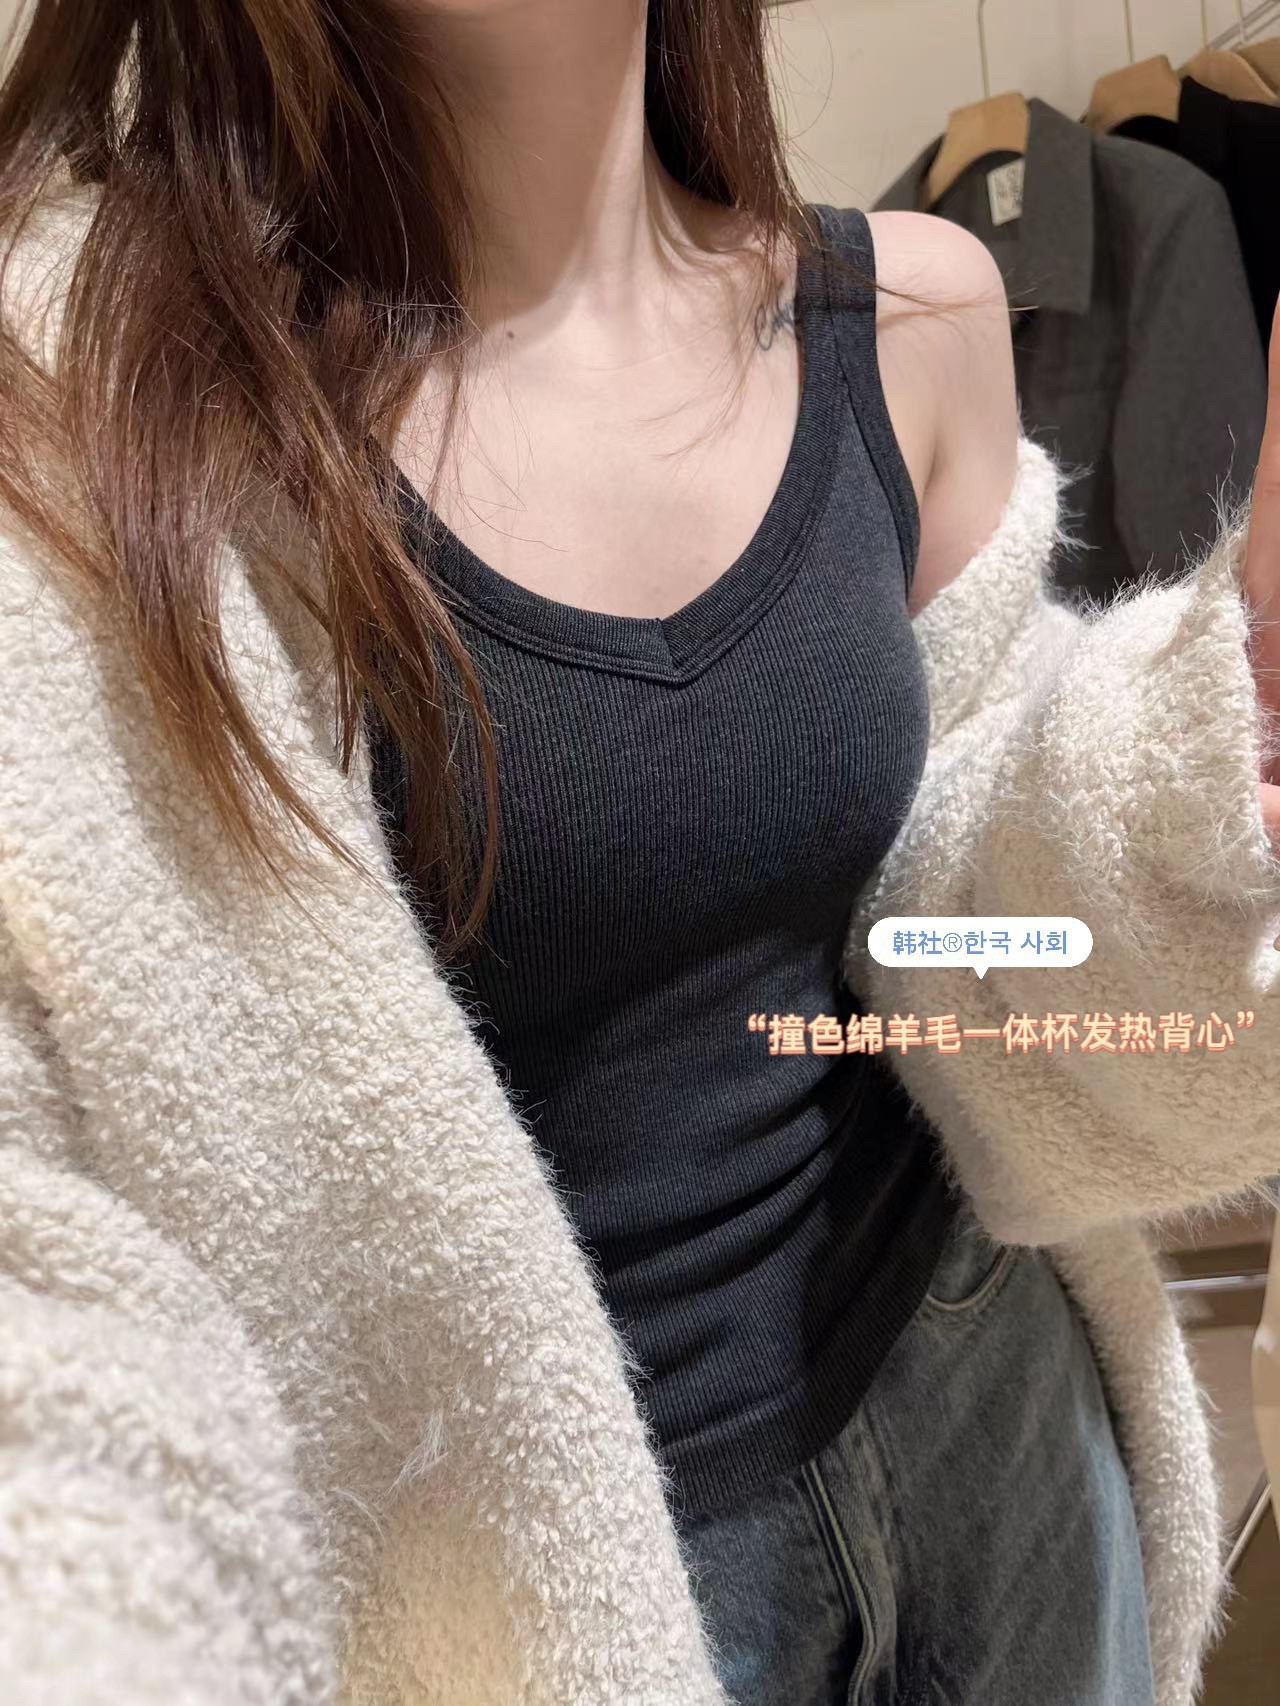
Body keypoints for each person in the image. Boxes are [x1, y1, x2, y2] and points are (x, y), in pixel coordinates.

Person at [0, 4, 1277, 1705]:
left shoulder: (907, 318)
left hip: (1008, 1442)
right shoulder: (76, 438)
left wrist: (1217, 774)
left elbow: (972, 942)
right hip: (541, 1617)